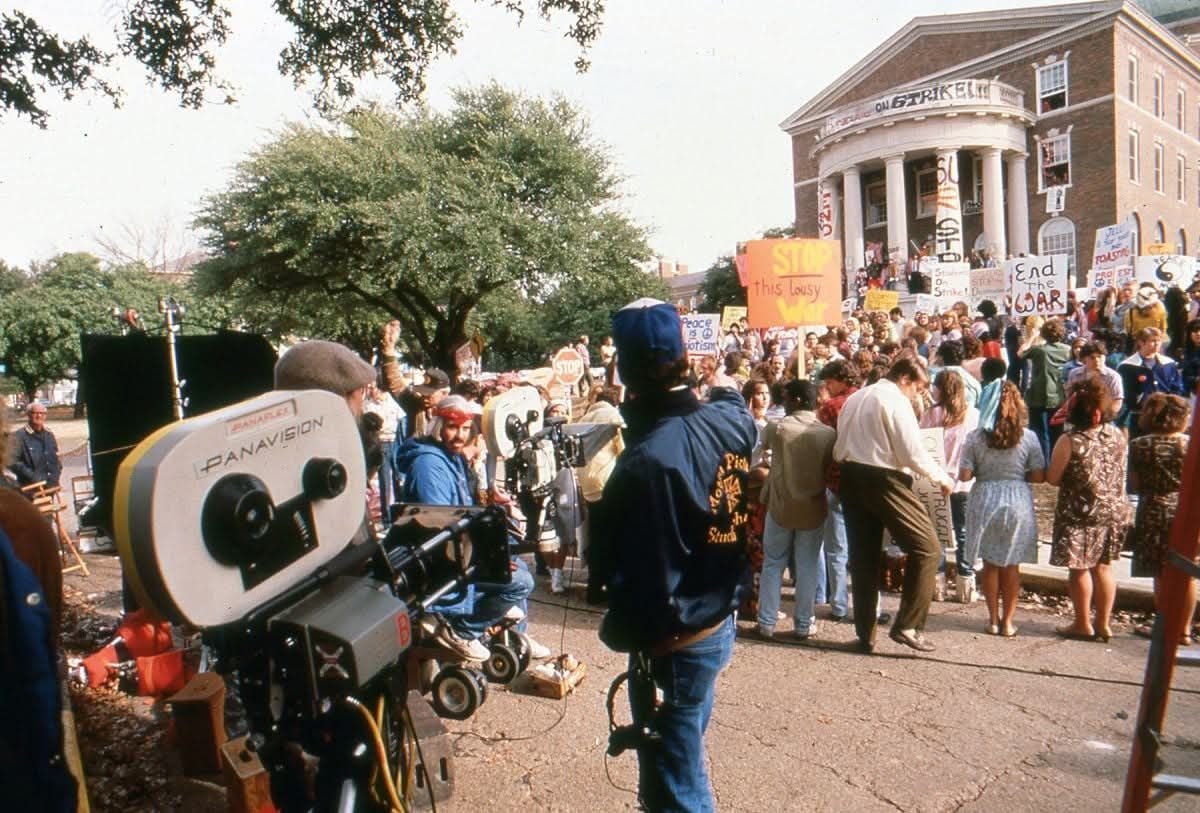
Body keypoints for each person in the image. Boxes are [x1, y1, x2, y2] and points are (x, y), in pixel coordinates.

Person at [589, 297, 755, 812]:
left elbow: (645, 587)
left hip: (677, 641)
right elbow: (728, 401)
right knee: (668, 767)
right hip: (717, 623)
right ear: (685, 358)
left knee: (682, 784)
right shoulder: (731, 421)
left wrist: (620, 630)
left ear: (625, 372)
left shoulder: (642, 466)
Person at [834, 356, 954, 653]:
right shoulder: (895, 400)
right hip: (883, 478)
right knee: (928, 547)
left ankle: (866, 634)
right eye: (918, 387)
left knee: (864, 558)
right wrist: (941, 476)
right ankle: (908, 625)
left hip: (849, 475)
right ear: (905, 379)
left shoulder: (856, 397)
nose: (919, 394)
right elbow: (911, 452)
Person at [0, 402, 77, 811]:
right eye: (36, 416)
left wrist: (50, 480)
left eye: (44, 416)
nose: (40, 421)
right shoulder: (19, 526)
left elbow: (54, 465)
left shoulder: (46, 440)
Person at [1046, 376, 1132, 642]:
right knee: (1104, 568)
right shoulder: (1118, 435)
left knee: (1079, 568)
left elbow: (1053, 478)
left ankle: (1082, 622)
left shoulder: (1070, 440)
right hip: (1114, 509)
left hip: (1080, 511)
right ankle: (1104, 623)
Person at [958, 381, 1045, 637]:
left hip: (985, 496)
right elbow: (1039, 475)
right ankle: (1008, 621)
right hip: (1017, 496)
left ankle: (992, 619)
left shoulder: (975, 437)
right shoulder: (1028, 437)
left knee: (990, 563)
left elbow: (965, 475)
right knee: (1012, 564)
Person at [756, 379, 836, 641]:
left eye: (787, 397)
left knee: (773, 563)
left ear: (798, 399)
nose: (783, 401)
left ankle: (766, 622)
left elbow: (758, 453)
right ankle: (803, 623)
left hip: (779, 504)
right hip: (812, 506)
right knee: (807, 567)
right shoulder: (827, 434)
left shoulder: (777, 427)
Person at [1128, 394, 1193, 642]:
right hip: (1184, 510)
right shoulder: (1190, 444)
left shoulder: (1139, 445)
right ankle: (1183, 629)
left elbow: (1135, 483)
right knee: (1183, 572)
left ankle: (1165, 625)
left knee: (1159, 570)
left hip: (1153, 508)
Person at [919, 370, 980, 596]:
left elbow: (922, 447)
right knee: (964, 531)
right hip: (964, 481)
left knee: (937, 531)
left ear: (940, 389)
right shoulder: (973, 415)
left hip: (935, 480)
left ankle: (938, 582)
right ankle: (966, 581)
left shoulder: (930, 415)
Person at [816, 360, 858, 622]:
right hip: (867, 481)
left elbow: (821, 444)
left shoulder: (832, 407)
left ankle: (840, 604)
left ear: (839, 379)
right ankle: (871, 607)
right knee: (865, 549)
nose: (828, 388)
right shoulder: (868, 400)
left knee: (837, 549)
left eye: (829, 382)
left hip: (837, 481)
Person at [1019, 317, 1070, 462]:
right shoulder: (1068, 350)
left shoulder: (1039, 351)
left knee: (1040, 432)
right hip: (1059, 395)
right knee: (1057, 431)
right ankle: (1057, 461)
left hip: (1039, 395)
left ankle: (1044, 463)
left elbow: (1020, 353)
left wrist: (1032, 337)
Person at [1118, 327, 1186, 435]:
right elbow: (1125, 392)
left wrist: (1170, 402)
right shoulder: (1127, 366)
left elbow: (1177, 387)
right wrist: (1141, 400)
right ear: (1141, 342)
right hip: (1140, 416)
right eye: (1153, 341)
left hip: (1166, 416)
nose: (1157, 344)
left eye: (1159, 341)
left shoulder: (1168, 364)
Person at [10, 403, 61, 490]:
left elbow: (56, 458)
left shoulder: (49, 435)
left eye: (42, 413)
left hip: (50, 486)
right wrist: (34, 477)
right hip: (30, 489)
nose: (39, 416)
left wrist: (55, 476)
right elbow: (13, 462)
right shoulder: (19, 436)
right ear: (29, 414)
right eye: (35, 413)